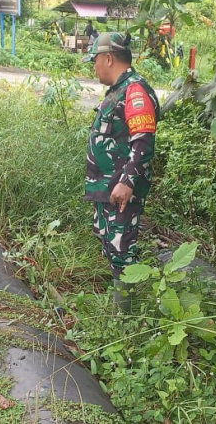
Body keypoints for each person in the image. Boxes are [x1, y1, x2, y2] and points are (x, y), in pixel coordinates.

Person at [82, 32, 160, 312]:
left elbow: (143, 139)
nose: (94, 67)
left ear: (108, 58)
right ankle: (121, 313)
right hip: (108, 189)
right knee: (112, 248)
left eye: (95, 60)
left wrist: (127, 181)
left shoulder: (134, 91)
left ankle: (125, 321)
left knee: (122, 252)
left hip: (121, 190)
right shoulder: (120, 90)